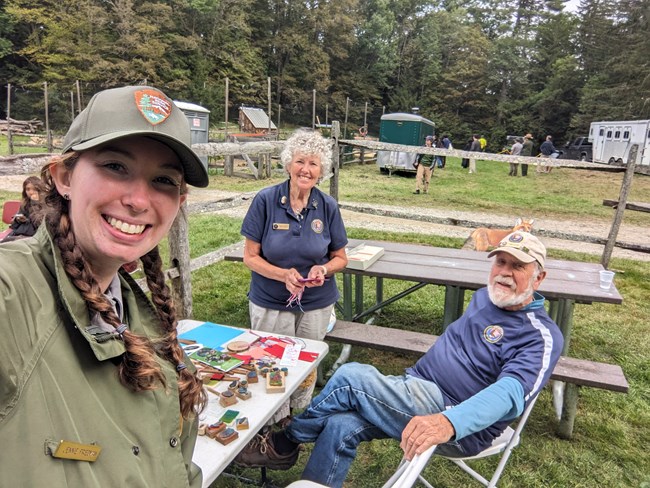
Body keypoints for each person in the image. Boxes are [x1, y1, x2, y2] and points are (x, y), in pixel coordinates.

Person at [0, 85, 210, 486]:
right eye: (115, 166)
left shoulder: (139, 317)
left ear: (179, 203)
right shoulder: (15, 293)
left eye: (163, 179)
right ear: (64, 177)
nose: (138, 199)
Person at [237, 232, 564, 487]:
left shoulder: (540, 336)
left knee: (352, 377)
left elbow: (510, 393)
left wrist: (449, 422)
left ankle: (285, 440)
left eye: (517, 266)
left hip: (454, 418)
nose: (505, 273)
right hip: (417, 388)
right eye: (501, 262)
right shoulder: (487, 297)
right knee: (340, 424)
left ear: (539, 278)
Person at [239, 128, 348, 420]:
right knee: (272, 362)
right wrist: (281, 274)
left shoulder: (327, 206)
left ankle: (297, 414)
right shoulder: (266, 200)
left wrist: (323, 268)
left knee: (306, 361)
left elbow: (340, 258)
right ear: (288, 164)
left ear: (321, 170)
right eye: (300, 161)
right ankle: (273, 415)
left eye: (313, 164)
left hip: (316, 302)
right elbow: (250, 257)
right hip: (270, 299)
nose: (306, 169)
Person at [1, 175, 46, 242]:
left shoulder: (46, 204)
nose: (31, 192)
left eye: (34, 189)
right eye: (28, 189)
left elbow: (39, 224)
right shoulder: (25, 204)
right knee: (5, 243)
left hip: (33, 237)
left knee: (7, 243)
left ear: (39, 190)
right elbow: (14, 226)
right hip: (18, 234)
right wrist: (18, 219)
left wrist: (35, 203)